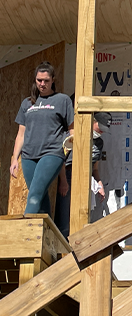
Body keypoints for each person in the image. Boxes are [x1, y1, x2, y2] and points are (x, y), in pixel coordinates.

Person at [10, 61, 74, 216]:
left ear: (52, 80)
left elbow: (72, 129)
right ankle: (47, 234)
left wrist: (71, 145)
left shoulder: (62, 100)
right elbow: (21, 134)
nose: (42, 84)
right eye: (39, 80)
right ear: (35, 80)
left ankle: (24, 231)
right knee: (40, 194)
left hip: (52, 153)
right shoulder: (27, 103)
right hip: (28, 156)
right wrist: (14, 159)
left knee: (34, 195)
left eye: (46, 80)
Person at [55, 112, 112, 238]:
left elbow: (94, 168)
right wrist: (63, 181)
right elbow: (60, 159)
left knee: (81, 219)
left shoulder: (99, 143)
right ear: (93, 121)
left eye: (104, 130)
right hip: (69, 175)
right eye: (100, 128)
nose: (101, 132)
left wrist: (99, 184)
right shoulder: (75, 135)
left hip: (87, 181)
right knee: (64, 220)